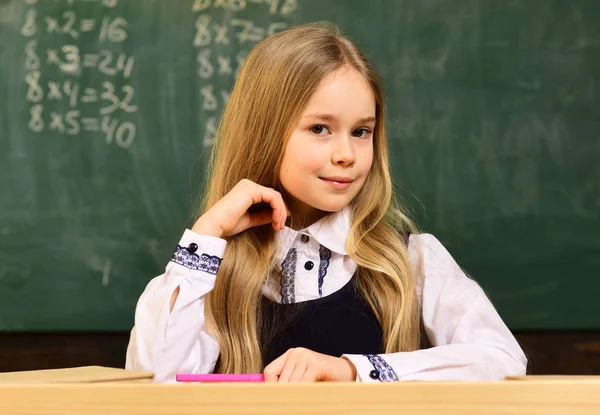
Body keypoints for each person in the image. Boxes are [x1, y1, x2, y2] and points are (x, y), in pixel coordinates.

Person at [125, 23, 527, 383]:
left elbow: (502, 360)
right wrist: (205, 235)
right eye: (320, 128)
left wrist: (353, 369)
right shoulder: (210, 275)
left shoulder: (410, 261)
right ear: (264, 133)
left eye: (361, 131)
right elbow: (152, 384)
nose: (346, 154)